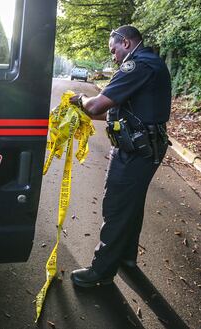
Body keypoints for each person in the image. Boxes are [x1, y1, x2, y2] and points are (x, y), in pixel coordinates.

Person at [68, 25, 172, 287]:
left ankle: (101, 272)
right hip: (146, 147)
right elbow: (116, 112)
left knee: (116, 206)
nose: (112, 55)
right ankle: (126, 257)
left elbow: (95, 106)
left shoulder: (136, 66)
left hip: (137, 150)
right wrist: (86, 112)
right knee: (131, 205)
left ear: (125, 43)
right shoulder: (149, 63)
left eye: (113, 49)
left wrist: (80, 100)